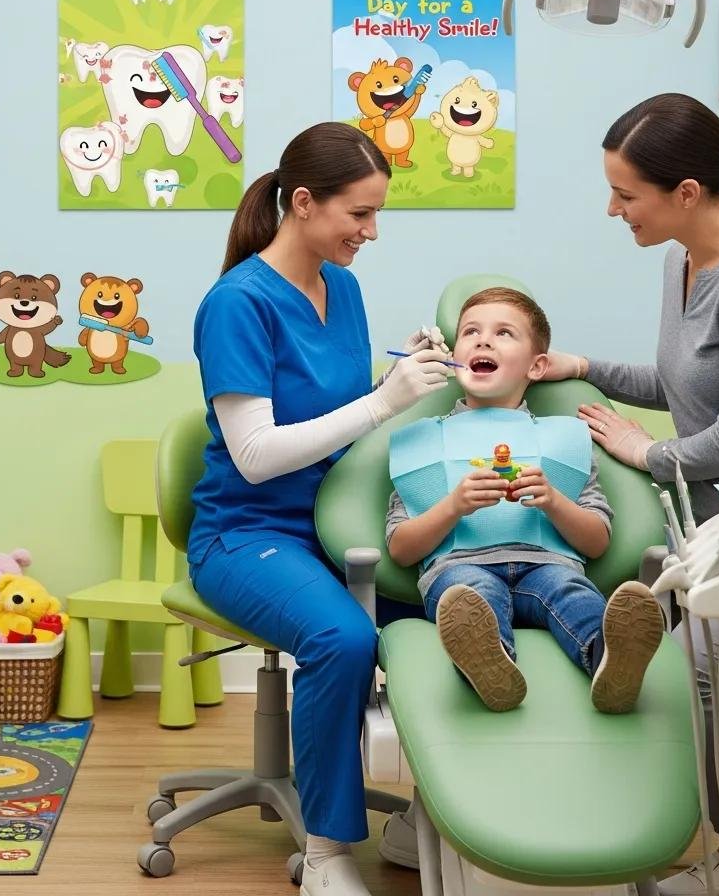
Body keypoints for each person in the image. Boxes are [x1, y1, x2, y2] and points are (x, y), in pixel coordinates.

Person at [188, 122, 453, 896]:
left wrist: (403, 374)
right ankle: (329, 852)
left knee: (449, 609)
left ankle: (427, 817)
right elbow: (258, 454)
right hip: (247, 536)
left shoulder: (345, 288)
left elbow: (333, 406)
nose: (371, 233)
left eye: (376, 215)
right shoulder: (236, 304)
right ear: (303, 203)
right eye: (359, 215)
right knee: (340, 638)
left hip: (338, 524)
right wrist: (381, 402)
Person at [545, 94, 719, 894]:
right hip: (712, 529)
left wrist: (648, 451)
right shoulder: (681, 259)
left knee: (693, 676)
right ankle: (715, 847)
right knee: (692, 674)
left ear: (687, 193)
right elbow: (680, 382)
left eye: (627, 194)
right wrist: (586, 366)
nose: (612, 208)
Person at [386, 287, 665, 712]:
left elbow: (596, 542)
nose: (483, 340)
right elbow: (401, 549)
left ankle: (613, 664)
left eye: (504, 333)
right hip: (460, 569)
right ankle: (491, 667)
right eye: (471, 332)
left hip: (548, 566)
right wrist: (453, 506)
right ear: (452, 355)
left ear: (537, 366)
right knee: (471, 596)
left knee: (573, 593)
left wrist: (554, 501)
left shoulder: (566, 443)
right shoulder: (422, 442)